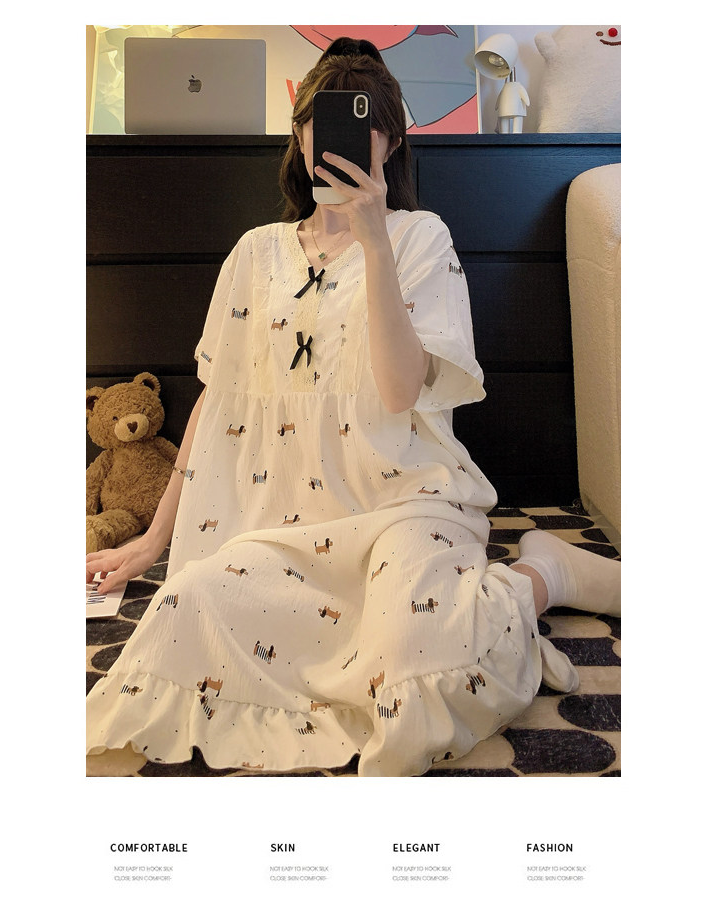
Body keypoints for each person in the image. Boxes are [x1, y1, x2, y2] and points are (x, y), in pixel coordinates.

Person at [86, 38, 620, 777]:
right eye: (323, 118)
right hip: (280, 523)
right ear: (301, 135)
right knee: (187, 615)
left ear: (391, 141)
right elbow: (220, 399)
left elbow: (400, 391)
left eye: (365, 119)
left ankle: (541, 578)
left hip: (403, 503)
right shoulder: (254, 253)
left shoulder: (421, 237)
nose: (340, 136)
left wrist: (375, 243)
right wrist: (152, 543)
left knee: (420, 668)